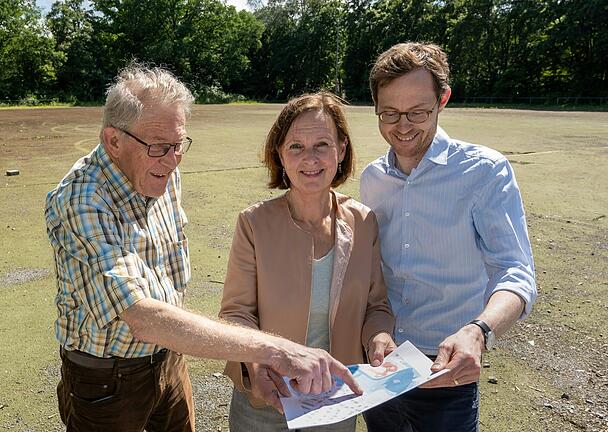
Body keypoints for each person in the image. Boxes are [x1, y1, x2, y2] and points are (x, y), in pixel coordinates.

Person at [45, 66, 357, 432]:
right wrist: (278, 351)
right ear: (114, 141)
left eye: (179, 145)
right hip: (107, 380)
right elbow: (143, 318)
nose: (173, 160)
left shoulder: (161, 165)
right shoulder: (80, 200)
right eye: (160, 147)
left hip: (168, 359)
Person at [359, 42, 537, 432]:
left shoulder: (484, 171)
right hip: (380, 364)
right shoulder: (372, 178)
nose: (402, 126)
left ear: (443, 100)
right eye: (389, 113)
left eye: (418, 112)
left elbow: (515, 270)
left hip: (445, 368)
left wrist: (480, 330)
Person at [219, 92, 396, 432]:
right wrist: (257, 368)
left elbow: (377, 306)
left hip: (336, 395)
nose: (310, 158)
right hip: (267, 397)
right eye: (296, 146)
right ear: (280, 155)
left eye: (322, 145)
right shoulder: (254, 223)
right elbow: (236, 313)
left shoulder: (363, 221)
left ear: (341, 150)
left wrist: (379, 337)